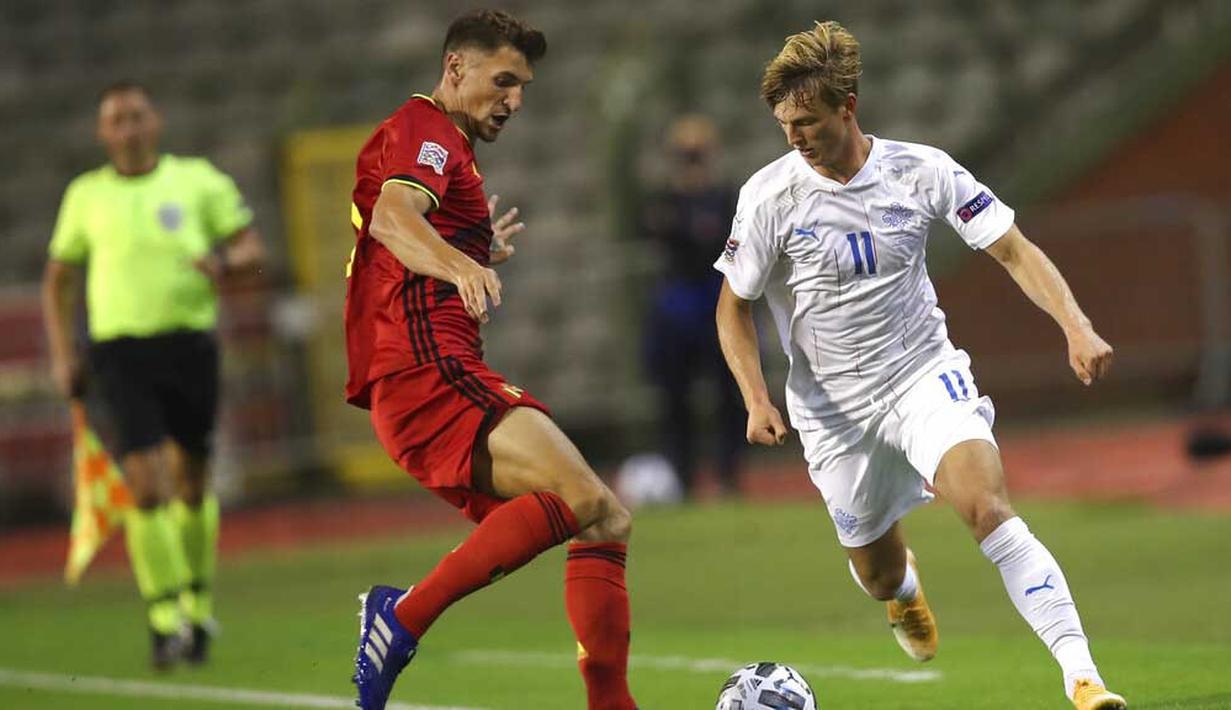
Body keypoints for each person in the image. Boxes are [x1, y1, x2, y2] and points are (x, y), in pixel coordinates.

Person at [713, 21, 1125, 710]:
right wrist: (756, 398)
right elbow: (731, 307)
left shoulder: (922, 170)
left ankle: (1082, 679)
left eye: (807, 121)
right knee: (875, 573)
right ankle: (902, 591)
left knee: (986, 506)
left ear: (847, 106)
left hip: (920, 375)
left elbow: (1014, 250)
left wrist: (1075, 327)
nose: (795, 137)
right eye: (784, 124)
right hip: (833, 413)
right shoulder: (768, 196)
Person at [344, 11, 636, 710]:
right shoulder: (427, 129)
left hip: (420, 377)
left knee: (601, 518)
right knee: (586, 498)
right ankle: (402, 615)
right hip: (425, 371)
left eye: (523, 87)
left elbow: (400, 231)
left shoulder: (445, 149)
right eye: (502, 81)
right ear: (455, 70)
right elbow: (393, 217)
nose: (513, 100)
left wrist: (468, 249)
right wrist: (457, 266)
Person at [42, 81, 264, 669]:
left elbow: (251, 249)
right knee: (143, 484)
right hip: (118, 352)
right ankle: (164, 618)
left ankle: (198, 602)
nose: (129, 128)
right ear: (102, 133)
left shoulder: (197, 180)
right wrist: (64, 354)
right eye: (116, 119)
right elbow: (59, 280)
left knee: (192, 480)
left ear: (155, 122)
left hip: (189, 344)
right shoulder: (86, 195)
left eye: (137, 116)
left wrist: (223, 262)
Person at [639, 115, 744, 497]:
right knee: (675, 396)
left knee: (730, 391)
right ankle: (682, 476)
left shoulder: (726, 197)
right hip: (679, 303)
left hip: (716, 299)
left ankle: (729, 474)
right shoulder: (665, 200)